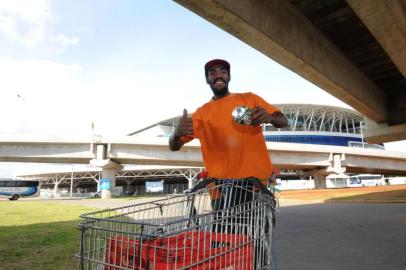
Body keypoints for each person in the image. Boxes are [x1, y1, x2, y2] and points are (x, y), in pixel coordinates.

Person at [169, 59, 288, 268]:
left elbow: (283, 120)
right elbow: (174, 145)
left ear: (229, 76)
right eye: (213, 72)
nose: (218, 75)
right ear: (207, 79)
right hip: (223, 191)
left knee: (260, 245)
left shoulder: (249, 99)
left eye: (223, 71)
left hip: (257, 186)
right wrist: (176, 133)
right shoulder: (202, 114)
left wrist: (269, 116)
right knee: (227, 249)